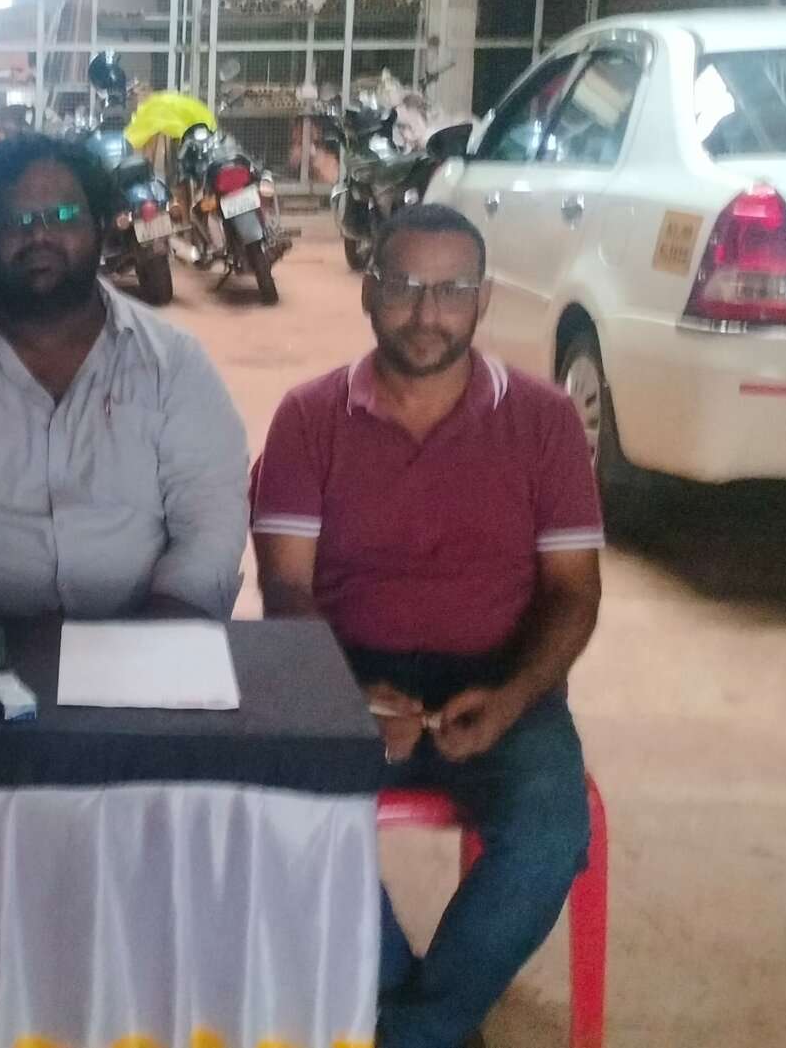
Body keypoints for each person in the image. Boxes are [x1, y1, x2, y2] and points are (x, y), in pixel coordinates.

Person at [248, 203, 601, 1048]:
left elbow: (574, 593)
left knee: (551, 832)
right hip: (346, 669)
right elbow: (285, 587)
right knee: (270, 808)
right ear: (368, 291)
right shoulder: (309, 416)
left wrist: (513, 696)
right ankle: (432, 1021)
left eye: (451, 289)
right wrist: (347, 697)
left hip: (504, 675)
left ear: (483, 299)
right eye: (405, 285)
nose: (427, 312)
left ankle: (412, 1031)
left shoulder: (545, 420)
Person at [0, 131, 247, 619]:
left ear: (100, 226)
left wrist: (149, 646)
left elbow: (210, 525)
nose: (39, 236)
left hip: (147, 638)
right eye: (15, 220)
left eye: (63, 216)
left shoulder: (173, 363)